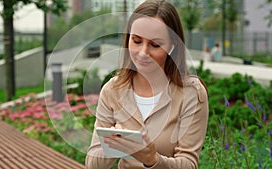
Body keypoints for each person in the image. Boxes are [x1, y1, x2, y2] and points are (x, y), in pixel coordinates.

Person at [85, 0, 209, 168]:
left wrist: (153, 160)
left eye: (155, 45)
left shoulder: (191, 93)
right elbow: (92, 164)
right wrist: (115, 144)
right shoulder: (112, 90)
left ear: (172, 47)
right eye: (136, 41)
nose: (143, 53)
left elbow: (189, 163)